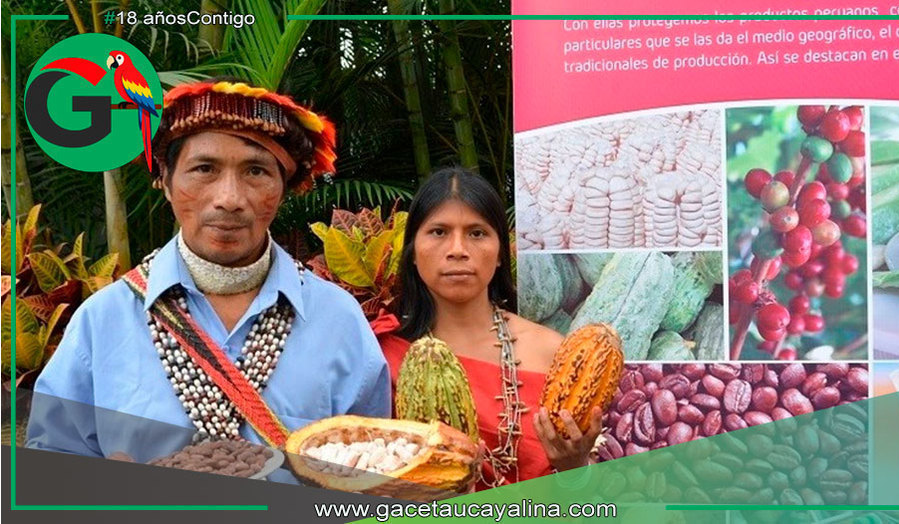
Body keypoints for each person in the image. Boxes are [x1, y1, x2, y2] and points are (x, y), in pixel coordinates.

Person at [26, 80, 391, 481]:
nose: (229, 198)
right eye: (204, 169)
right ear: (165, 181)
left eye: (256, 171)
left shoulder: (337, 321)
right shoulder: (103, 320)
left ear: (283, 188)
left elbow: (372, 474)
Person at [372, 167, 601, 489]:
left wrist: (576, 467)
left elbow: (589, 497)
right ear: (412, 252)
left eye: (477, 233)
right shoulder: (382, 355)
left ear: (498, 254)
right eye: (438, 232)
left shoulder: (552, 351)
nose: (457, 249)